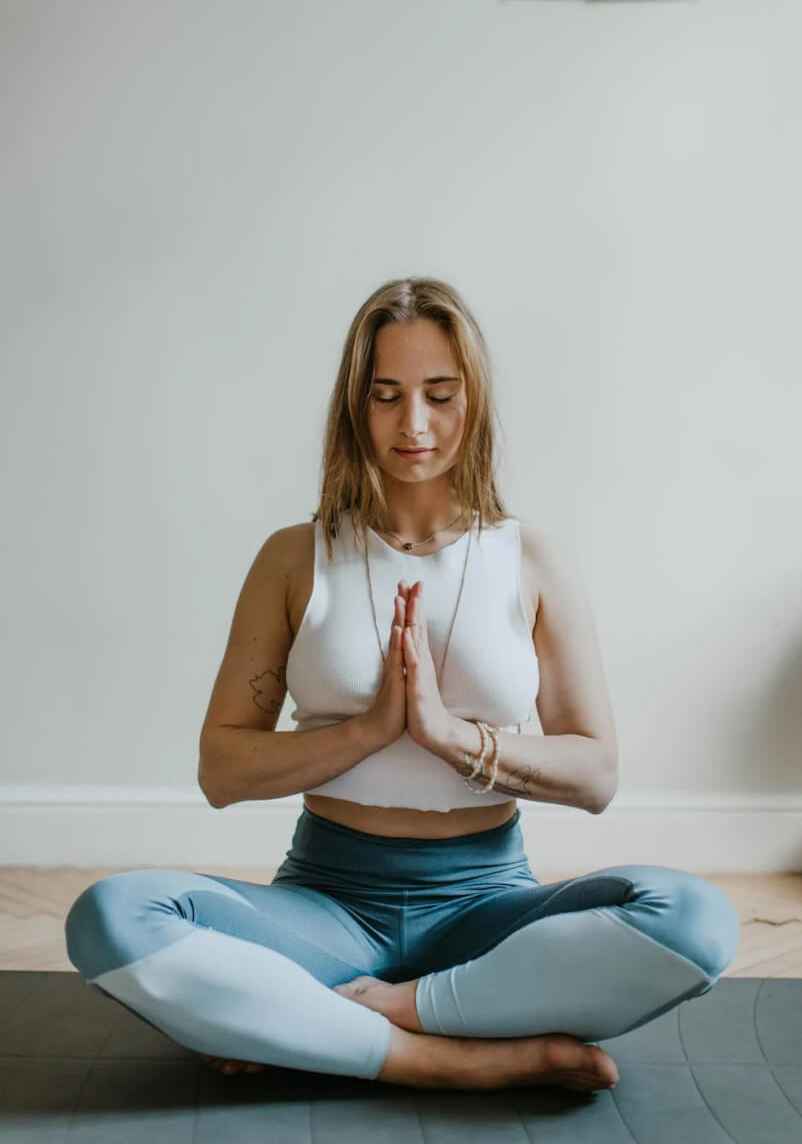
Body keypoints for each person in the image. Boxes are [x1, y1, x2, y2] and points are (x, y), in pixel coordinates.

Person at [64, 276, 740, 1093]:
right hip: (325, 906)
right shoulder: (293, 557)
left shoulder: (531, 561)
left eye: (439, 395)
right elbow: (221, 771)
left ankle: (351, 1018)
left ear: (474, 401)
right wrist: (366, 730)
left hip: (488, 911)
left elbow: (596, 776)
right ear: (356, 406)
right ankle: (448, 1056)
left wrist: (448, 736)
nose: (412, 424)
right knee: (111, 917)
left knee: (694, 919)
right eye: (385, 396)